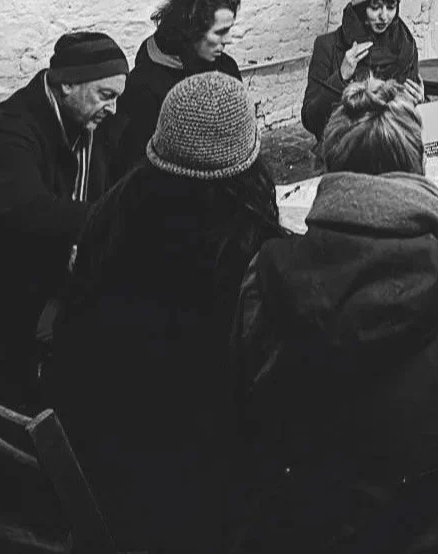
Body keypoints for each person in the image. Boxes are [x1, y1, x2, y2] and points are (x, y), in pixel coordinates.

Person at [234, 78, 438, 553]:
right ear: (418, 167)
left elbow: (245, 414)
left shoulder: (268, 272)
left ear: (330, 165)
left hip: (303, 532)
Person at [46, 72, 285, 553]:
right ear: (250, 165)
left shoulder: (112, 214)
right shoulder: (253, 257)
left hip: (101, 449)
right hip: (197, 488)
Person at [0, 31, 129, 407]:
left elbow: (112, 185)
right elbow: (33, 214)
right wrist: (118, 219)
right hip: (3, 296)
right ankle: (52, 419)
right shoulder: (3, 134)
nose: (113, 109)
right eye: (105, 96)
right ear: (67, 85)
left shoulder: (91, 121)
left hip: (53, 270)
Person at [114, 0, 243, 177]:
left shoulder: (226, 69)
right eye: (220, 32)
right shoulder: (144, 85)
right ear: (191, 31)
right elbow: (136, 164)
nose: (228, 40)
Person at [302, 0, 423, 142]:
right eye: (375, 7)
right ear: (360, 8)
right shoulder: (328, 46)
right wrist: (340, 77)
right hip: (343, 149)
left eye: (391, 7)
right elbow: (310, 119)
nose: (384, 16)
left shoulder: (405, 47)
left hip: (390, 146)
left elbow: (403, 119)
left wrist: (417, 102)